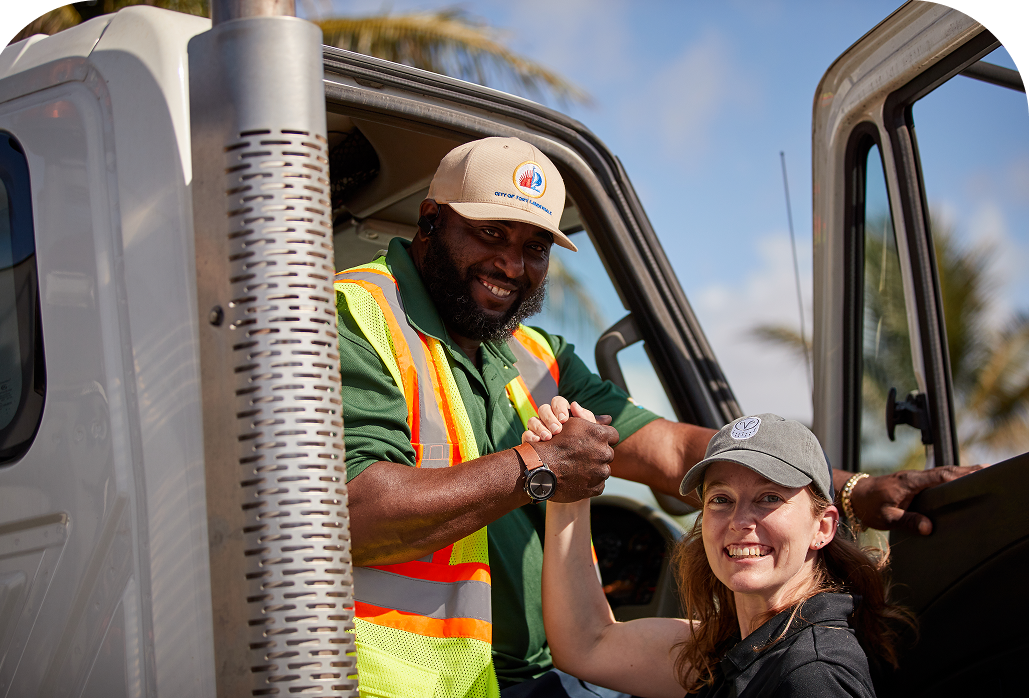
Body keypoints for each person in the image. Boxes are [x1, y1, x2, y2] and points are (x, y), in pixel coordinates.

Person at [335, 136, 973, 698]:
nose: (512, 265)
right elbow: (349, 512)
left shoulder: (533, 355)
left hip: (528, 675)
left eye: (535, 246)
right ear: (431, 220)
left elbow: (674, 450)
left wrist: (855, 490)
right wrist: (539, 470)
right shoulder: (353, 316)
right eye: (491, 233)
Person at [533, 402, 912, 698]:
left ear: (823, 527)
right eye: (721, 499)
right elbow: (587, 644)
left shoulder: (811, 674)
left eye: (769, 497)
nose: (739, 521)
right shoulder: (742, 646)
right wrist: (568, 484)